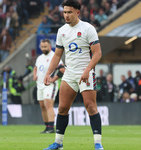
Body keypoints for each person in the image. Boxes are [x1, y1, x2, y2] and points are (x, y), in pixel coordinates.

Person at [43, 0, 103, 150]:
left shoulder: (88, 28)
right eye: (64, 12)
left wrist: (88, 70)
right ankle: (58, 143)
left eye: (69, 12)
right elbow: (57, 55)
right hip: (69, 74)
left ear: (77, 12)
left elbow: (97, 53)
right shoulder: (62, 31)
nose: (66, 15)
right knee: (62, 108)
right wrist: (48, 73)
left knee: (90, 106)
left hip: (86, 72)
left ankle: (98, 144)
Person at [33, 39, 64, 134]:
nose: (43, 48)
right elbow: (35, 68)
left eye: (45, 47)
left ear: (50, 46)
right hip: (40, 84)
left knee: (48, 104)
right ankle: (47, 127)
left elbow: (62, 69)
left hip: (50, 85)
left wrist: (53, 79)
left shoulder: (54, 56)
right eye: (42, 47)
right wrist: (35, 75)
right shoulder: (40, 58)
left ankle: (51, 127)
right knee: (42, 106)